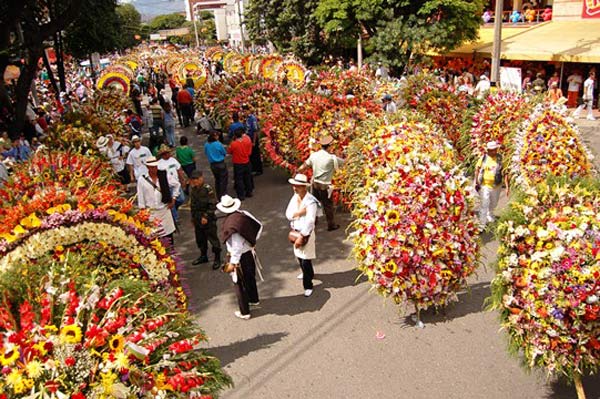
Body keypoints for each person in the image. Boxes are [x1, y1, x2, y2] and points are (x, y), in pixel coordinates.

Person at [218, 195, 263, 320]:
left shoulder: (232, 225)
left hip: (239, 257)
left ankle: (245, 311)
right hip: (249, 252)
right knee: (250, 278)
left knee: (238, 284)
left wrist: (233, 263)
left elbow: (236, 246)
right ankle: (254, 299)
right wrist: (252, 241)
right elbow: (258, 226)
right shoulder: (244, 214)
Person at [298, 135, 343, 231]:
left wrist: (297, 174)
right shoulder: (332, 158)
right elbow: (345, 163)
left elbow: (304, 166)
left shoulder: (314, 155)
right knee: (328, 205)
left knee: (314, 203)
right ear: (330, 146)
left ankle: (312, 223)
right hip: (325, 185)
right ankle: (331, 225)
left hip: (315, 184)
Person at [286, 174, 320, 297]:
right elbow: (288, 214)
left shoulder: (311, 202)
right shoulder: (295, 197)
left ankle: (308, 284)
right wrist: (300, 212)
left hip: (306, 233)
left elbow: (310, 221)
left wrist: (302, 235)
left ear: (304, 187)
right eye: (294, 186)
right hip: (295, 230)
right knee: (299, 257)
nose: (295, 188)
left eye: (298, 186)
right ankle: (308, 273)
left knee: (305, 259)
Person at [136, 156, 178, 246]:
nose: (154, 169)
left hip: (164, 211)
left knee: (169, 238)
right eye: (151, 167)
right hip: (151, 213)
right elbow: (141, 198)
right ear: (147, 167)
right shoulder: (142, 180)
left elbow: (176, 185)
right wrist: (143, 213)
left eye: (155, 167)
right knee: (155, 239)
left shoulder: (164, 175)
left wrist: (174, 198)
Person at [190, 170, 222, 269]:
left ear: (201, 178)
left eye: (197, 179)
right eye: (193, 179)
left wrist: (206, 216)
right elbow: (193, 205)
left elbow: (212, 204)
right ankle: (203, 256)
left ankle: (217, 258)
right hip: (197, 218)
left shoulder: (207, 189)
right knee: (200, 239)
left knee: (213, 239)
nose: (195, 181)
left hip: (208, 219)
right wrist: (193, 219)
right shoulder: (194, 190)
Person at [474, 141, 508, 227]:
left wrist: (507, 186)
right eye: (491, 150)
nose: (493, 152)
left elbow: (505, 172)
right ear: (488, 150)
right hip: (484, 185)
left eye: (495, 150)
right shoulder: (483, 158)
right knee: (484, 203)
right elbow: (477, 169)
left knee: (494, 203)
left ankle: (490, 213)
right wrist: (476, 181)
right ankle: (482, 223)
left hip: (496, 186)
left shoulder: (500, 159)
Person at [157, 144, 187, 223]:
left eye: (168, 153)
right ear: (163, 154)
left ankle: (174, 209)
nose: (168, 154)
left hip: (176, 184)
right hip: (168, 186)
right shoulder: (159, 164)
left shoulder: (173, 160)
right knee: (171, 201)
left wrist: (182, 179)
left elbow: (179, 169)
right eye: (166, 153)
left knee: (181, 199)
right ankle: (175, 218)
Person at [228, 127, 253, 200]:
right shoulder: (247, 141)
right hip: (246, 161)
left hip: (238, 163)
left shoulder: (233, 144)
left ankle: (241, 195)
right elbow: (249, 151)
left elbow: (229, 151)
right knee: (247, 178)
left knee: (239, 179)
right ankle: (249, 192)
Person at [205, 130, 228, 199]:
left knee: (217, 180)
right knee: (223, 181)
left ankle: (218, 195)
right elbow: (224, 152)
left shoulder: (206, 144)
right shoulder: (218, 144)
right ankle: (223, 195)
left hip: (213, 165)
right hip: (220, 163)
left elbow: (206, 153)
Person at [243, 105, 263, 175]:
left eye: (245, 111)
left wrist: (254, 141)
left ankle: (258, 170)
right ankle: (253, 168)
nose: (244, 113)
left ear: (248, 110)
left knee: (255, 154)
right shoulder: (246, 118)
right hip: (248, 139)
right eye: (243, 111)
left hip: (253, 139)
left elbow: (255, 130)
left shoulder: (252, 118)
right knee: (251, 155)